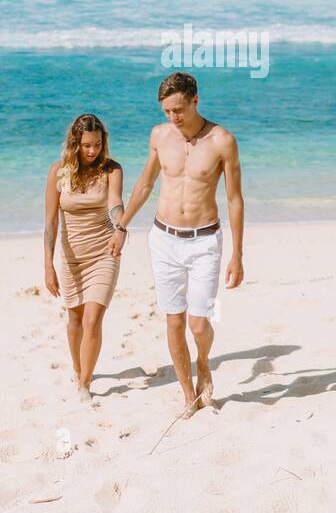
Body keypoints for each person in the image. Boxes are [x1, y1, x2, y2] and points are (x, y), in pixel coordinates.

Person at [108, 72, 243, 416]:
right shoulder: (159, 135)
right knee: (173, 322)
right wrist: (121, 226)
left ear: (196, 100)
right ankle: (188, 396)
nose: (173, 117)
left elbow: (235, 199)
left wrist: (238, 254)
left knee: (198, 324)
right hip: (163, 239)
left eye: (179, 110)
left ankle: (204, 363)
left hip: (204, 241)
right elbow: (144, 184)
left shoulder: (222, 140)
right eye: (167, 111)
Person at [44, 113, 125, 403]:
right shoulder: (58, 173)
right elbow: (51, 223)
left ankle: (85, 383)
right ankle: (78, 368)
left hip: (104, 252)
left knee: (92, 319)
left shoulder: (111, 170)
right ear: (75, 143)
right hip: (71, 258)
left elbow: (115, 202)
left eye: (98, 144)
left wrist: (121, 226)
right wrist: (48, 266)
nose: (93, 151)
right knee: (74, 319)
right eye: (87, 145)